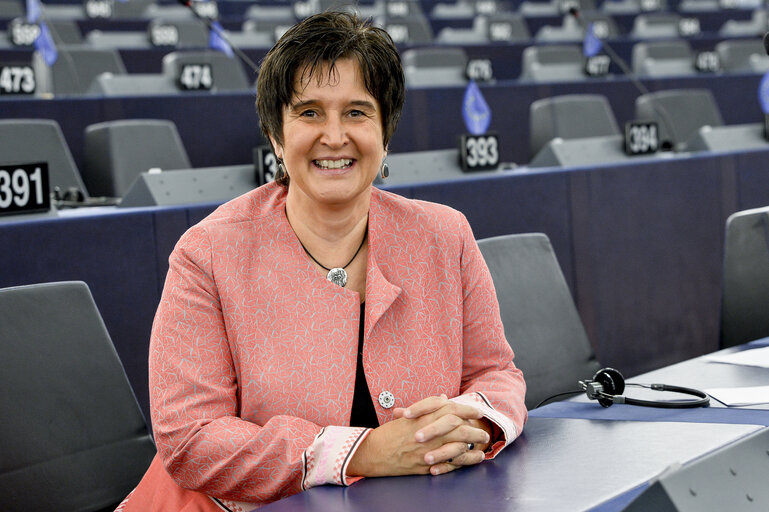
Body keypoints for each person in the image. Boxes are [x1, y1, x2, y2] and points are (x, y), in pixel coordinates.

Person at [117, 11, 526, 511]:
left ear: (385, 132)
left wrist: (470, 423)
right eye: (309, 113)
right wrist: (360, 453)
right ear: (275, 137)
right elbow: (190, 438)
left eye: (357, 112)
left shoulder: (446, 235)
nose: (335, 136)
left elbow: (497, 373)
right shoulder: (206, 254)